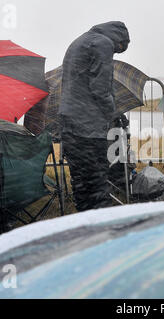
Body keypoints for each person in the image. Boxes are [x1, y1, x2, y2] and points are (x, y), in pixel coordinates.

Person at [59, 21, 130, 211]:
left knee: (81, 181)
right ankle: (103, 228)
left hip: (70, 124)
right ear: (119, 40)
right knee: (98, 181)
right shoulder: (103, 43)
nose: (115, 52)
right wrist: (114, 113)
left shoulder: (79, 42)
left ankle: (83, 222)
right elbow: (101, 88)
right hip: (88, 126)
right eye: (119, 49)